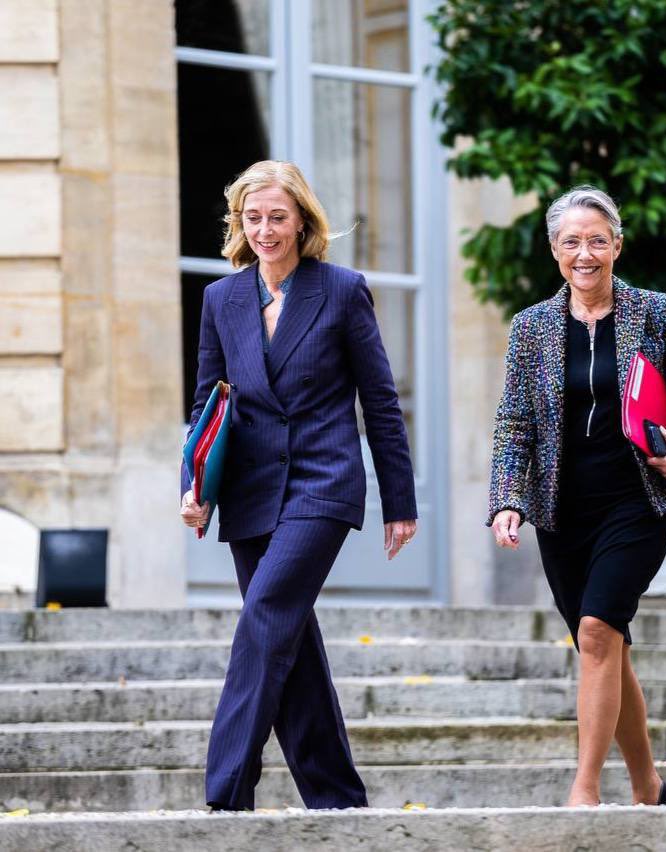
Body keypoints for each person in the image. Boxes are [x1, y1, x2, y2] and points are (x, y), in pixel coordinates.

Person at [180, 160, 417, 811]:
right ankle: (336, 796)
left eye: (276, 217)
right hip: (249, 490)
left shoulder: (341, 291)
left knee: (264, 614)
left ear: (302, 221)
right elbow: (206, 403)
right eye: (252, 218)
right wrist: (194, 483)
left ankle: (226, 789)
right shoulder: (220, 300)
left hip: (321, 483)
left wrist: (399, 501)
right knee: (291, 641)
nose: (264, 229)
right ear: (239, 223)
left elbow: (380, 401)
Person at [487, 186, 666, 807]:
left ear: (617, 243)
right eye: (570, 242)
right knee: (606, 644)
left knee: (595, 631)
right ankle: (649, 785)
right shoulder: (531, 327)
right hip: (562, 510)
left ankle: (583, 790)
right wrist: (508, 498)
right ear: (555, 251)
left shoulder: (656, 311)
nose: (583, 253)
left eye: (595, 240)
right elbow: (514, 422)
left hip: (636, 500)